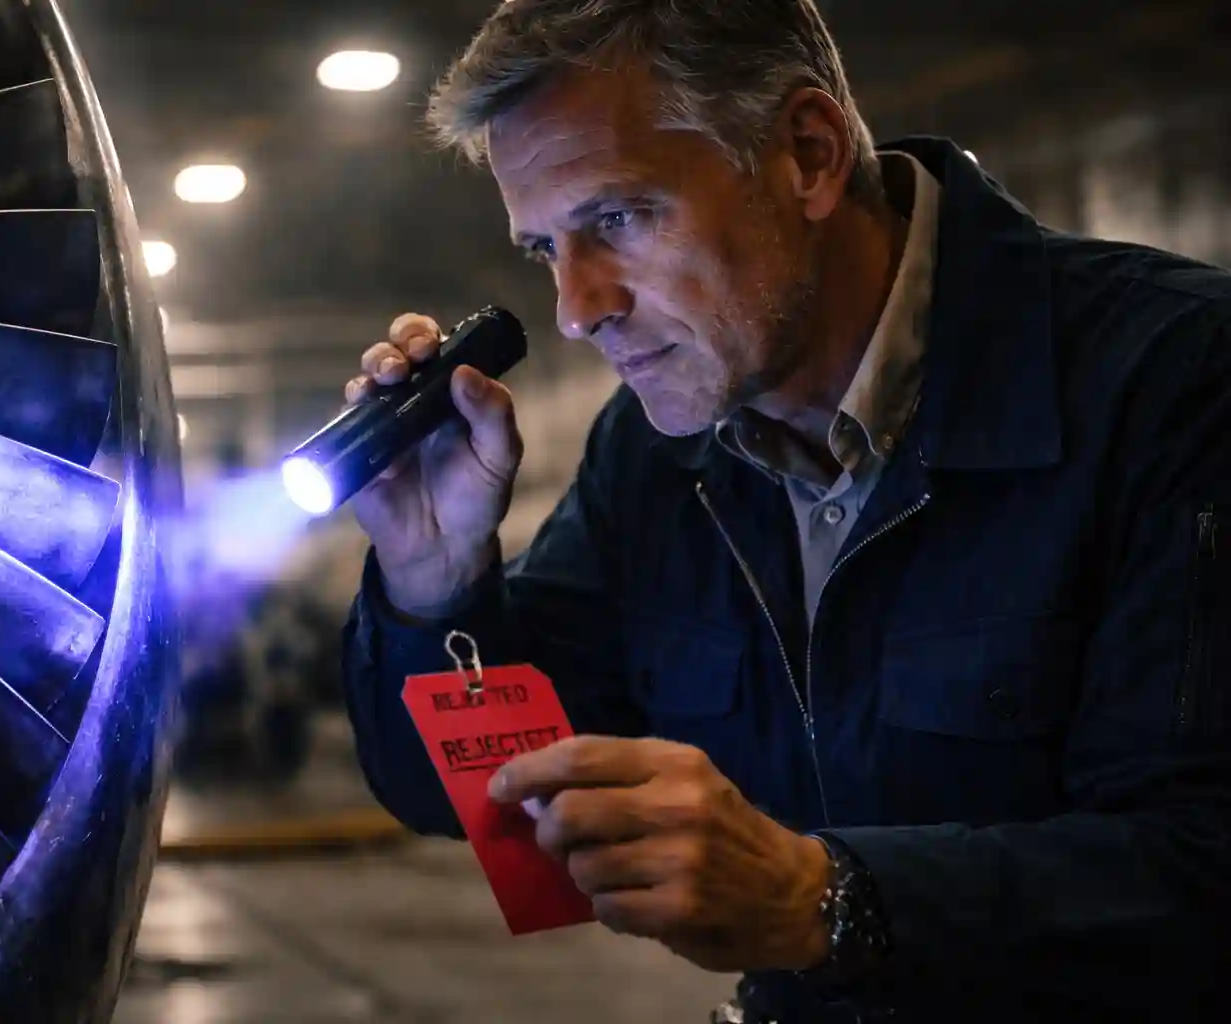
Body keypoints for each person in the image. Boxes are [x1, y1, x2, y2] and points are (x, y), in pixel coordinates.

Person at [336, 1, 1231, 1020]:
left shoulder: (1175, 379)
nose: (578, 310)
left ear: (806, 155)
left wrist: (823, 896)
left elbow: (1200, 865)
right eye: (545, 248)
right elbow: (486, 801)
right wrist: (433, 577)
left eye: (618, 219)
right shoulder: (658, 457)